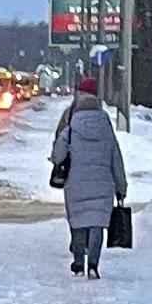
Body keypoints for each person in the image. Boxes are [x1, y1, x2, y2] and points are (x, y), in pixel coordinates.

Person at [49, 70, 127, 276]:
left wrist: (58, 160)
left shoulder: (71, 127)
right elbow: (116, 158)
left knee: (78, 221)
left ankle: (78, 261)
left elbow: (58, 155)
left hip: (76, 181)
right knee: (97, 224)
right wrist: (121, 186)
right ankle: (93, 264)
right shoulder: (106, 126)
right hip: (103, 183)